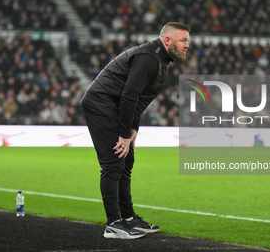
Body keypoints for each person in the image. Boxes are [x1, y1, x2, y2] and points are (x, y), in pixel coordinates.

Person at [80, 22, 190, 239]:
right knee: (114, 162)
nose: (188, 45)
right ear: (167, 40)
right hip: (101, 105)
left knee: (126, 161)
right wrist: (123, 134)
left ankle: (129, 218)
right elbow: (129, 95)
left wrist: (132, 131)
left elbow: (138, 101)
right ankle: (113, 224)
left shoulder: (161, 61)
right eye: (183, 40)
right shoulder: (149, 59)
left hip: (116, 108)